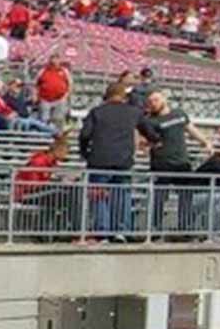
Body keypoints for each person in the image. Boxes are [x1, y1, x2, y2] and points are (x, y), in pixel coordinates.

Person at [77, 81, 145, 241]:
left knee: (99, 197)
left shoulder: (96, 112)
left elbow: (85, 135)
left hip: (99, 162)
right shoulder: (133, 112)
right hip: (123, 162)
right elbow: (148, 129)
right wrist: (156, 141)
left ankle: (102, 232)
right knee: (122, 195)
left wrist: (84, 152)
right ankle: (121, 230)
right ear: (123, 96)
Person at [140, 90, 211, 239]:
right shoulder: (149, 121)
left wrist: (205, 142)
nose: (153, 103)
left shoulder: (179, 114)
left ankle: (184, 228)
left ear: (164, 99)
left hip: (181, 163)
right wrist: (147, 146)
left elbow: (191, 129)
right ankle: (155, 229)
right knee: (159, 199)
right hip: (161, 165)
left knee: (186, 198)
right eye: (150, 101)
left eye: (156, 100)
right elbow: (144, 141)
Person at [11, 128, 79, 239]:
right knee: (62, 197)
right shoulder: (39, 161)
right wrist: (53, 183)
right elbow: (32, 185)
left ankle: (55, 231)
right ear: (58, 150)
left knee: (65, 197)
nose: (66, 155)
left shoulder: (52, 163)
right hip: (26, 194)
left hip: (38, 192)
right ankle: (62, 231)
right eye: (66, 152)